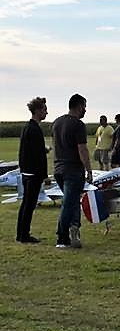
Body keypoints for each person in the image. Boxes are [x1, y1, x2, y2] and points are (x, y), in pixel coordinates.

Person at [52, 93, 92, 249]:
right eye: (85, 107)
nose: (85, 110)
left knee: (74, 201)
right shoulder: (78, 125)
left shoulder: (56, 123)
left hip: (58, 169)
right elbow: (82, 149)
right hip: (73, 170)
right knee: (68, 204)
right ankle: (62, 237)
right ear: (79, 106)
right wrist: (88, 170)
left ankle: (74, 230)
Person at [16, 96, 48, 244]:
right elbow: (38, 155)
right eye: (44, 110)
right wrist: (44, 175)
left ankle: (21, 233)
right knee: (29, 205)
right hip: (33, 173)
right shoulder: (35, 129)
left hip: (26, 171)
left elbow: (27, 150)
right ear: (37, 111)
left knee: (26, 204)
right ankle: (24, 235)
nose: (46, 112)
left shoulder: (27, 127)